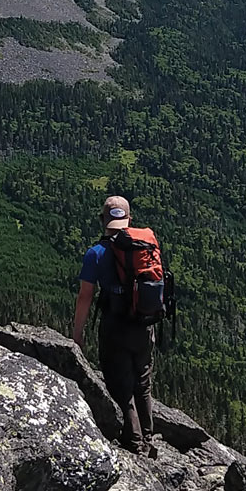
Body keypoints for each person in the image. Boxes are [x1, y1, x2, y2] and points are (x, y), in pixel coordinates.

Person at [72, 194, 159, 456]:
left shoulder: (95, 254)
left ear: (103, 220)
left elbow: (85, 296)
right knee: (142, 380)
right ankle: (148, 436)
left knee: (121, 384)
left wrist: (78, 333)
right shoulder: (144, 246)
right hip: (144, 323)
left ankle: (134, 444)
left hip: (115, 327)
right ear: (129, 219)